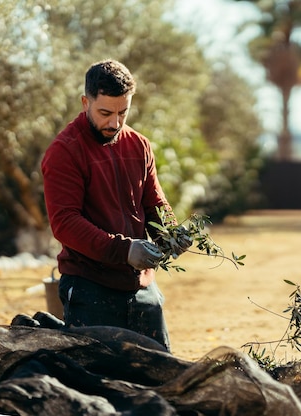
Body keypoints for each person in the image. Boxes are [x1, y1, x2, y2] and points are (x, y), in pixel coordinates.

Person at [41, 59, 190, 352]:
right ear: (86, 102)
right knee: (98, 387)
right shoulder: (64, 152)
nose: (115, 123)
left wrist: (170, 232)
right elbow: (65, 223)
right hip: (89, 289)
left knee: (159, 377)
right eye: (105, 113)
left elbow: (154, 202)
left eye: (123, 112)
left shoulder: (139, 146)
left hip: (142, 288)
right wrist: (124, 250)